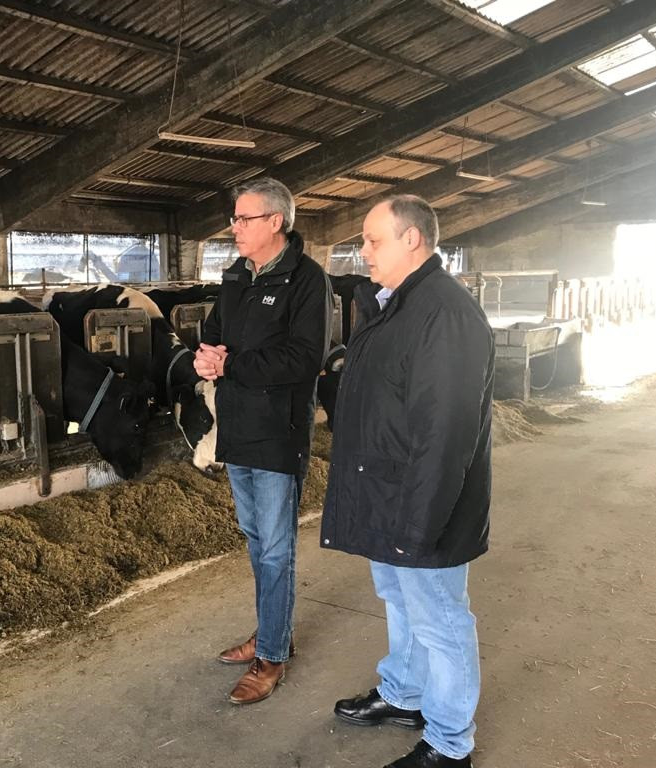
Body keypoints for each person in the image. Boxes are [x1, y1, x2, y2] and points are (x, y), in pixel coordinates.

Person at [320, 194, 494, 767]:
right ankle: (405, 694)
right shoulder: (394, 306)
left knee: (441, 621)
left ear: (412, 239)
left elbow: (445, 434)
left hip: (422, 505)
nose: (364, 252)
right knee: (399, 601)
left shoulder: (444, 314)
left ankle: (449, 742)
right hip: (388, 495)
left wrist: (420, 527)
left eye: (373, 240)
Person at [195, 176, 331, 705]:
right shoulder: (236, 275)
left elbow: (305, 358)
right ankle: (272, 631)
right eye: (234, 218)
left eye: (243, 218)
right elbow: (213, 331)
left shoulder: (307, 280)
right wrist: (206, 357)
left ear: (275, 221)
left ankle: (271, 656)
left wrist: (231, 365)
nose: (234, 227)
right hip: (237, 427)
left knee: (275, 549)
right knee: (256, 539)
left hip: (278, 431)